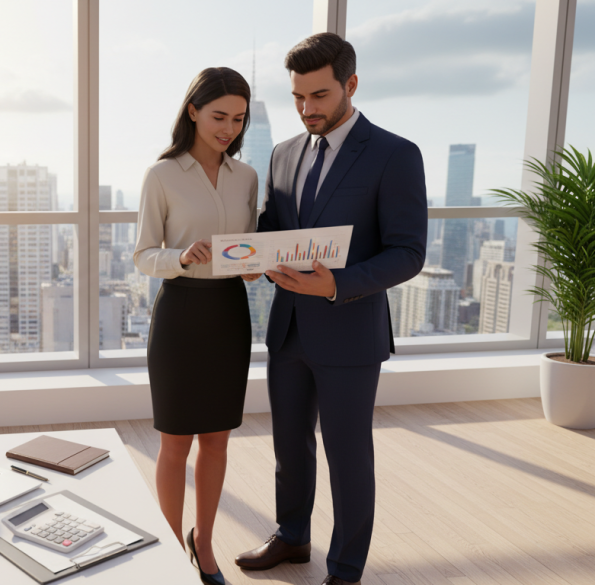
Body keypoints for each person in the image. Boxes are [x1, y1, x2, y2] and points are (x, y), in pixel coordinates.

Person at [233, 33, 427, 585]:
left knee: (347, 456)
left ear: (351, 84)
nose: (306, 109)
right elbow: (273, 229)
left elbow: (408, 253)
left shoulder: (395, 154)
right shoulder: (284, 152)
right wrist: (248, 256)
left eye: (318, 95)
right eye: (297, 97)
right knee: (289, 446)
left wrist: (336, 286)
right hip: (289, 327)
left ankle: (345, 568)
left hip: (349, 331)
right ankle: (292, 536)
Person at [133, 67, 260, 585]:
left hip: (229, 312)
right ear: (192, 111)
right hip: (180, 313)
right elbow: (142, 255)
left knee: (217, 440)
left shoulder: (247, 177)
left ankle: (203, 545)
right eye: (218, 116)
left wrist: (255, 263)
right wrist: (180, 257)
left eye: (238, 118)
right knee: (175, 442)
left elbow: (248, 248)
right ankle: (168, 547)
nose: (228, 128)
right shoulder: (161, 175)